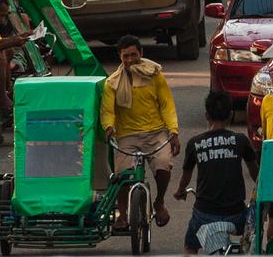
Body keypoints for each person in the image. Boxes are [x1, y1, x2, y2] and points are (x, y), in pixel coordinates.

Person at [103, 38, 180, 228]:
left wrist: (174, 131)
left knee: (163, 167)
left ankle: (159, 202)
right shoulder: (111, 83)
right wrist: (109, 127)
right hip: (126, 136)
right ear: (120, 57)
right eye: (126, 56)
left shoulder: (155, 75)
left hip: (155, 134)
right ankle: (123, 213)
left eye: (133, 55)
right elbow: (107, 111)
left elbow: (166, 104)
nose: (130, 59)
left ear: (141, 54)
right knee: (121, 176)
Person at [179, 89, 256, 254]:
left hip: (204, 215)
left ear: (207, 115)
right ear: (231, 115)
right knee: (254, 219)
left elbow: (186, 176)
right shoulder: (240, 141)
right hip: (236, 217)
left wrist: (179, 191)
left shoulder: (195, 143)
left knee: (190, 246)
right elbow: (255, 173)